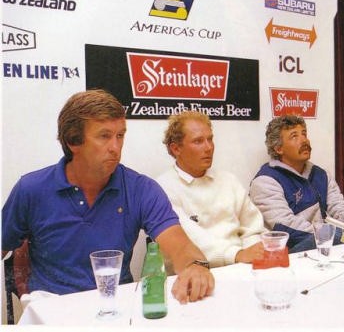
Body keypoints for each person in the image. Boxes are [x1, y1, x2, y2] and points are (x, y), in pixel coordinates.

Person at [1, 89, 214, 304]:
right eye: (104, 136)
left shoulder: (141, 189)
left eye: (120, 136)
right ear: (73, 141)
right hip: (53, 308)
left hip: (116, 307)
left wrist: (195, 267)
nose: (116, 148)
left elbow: (180, 245)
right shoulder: (31, 189)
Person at [157, 111, 266, 268]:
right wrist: (237, 255)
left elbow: (253, 228)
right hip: (192, 274)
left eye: (210, 139)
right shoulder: (163, 187)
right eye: (198, 141)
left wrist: (252, 255)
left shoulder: (229, 180)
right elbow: (187, 240)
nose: (208, 147)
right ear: (176, 149)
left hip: (241, 267)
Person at [249, 115, 344, 253]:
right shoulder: (265, 181)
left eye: (304, 134)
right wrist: (331, 234)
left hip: (323, 244)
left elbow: (339, 205)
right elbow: (285, 226)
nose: (304, 140)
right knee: (340, 235)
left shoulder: (321, 174)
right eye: (294, 136)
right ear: (278, 149)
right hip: (290, 251)